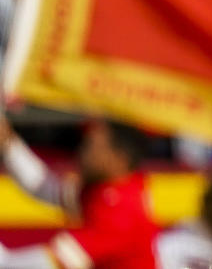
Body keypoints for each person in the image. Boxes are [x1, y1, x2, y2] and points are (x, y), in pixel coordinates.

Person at [0, 114, 157, 268]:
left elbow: (30, 265)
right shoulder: (110, 189)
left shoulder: (119, 213)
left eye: (91, 145)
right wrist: (8, 142)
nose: (81, 151)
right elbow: (44, 187)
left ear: (118, 158)